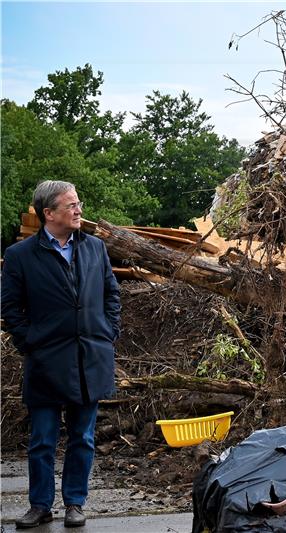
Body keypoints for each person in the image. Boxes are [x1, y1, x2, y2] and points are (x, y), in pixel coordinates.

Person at [1, 180, 120, 528]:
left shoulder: (95, 247)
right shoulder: (21, 255)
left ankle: (75, 503)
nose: (79, 209)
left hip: (90, 358)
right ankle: (40, 505)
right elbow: (11, 308)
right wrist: (31, 344)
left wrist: (107, 334)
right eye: (71, 205)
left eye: (78, 203)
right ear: (48, 213)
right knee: (42, 440)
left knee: (82, 438)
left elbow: (112, 295)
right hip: (46, 362)